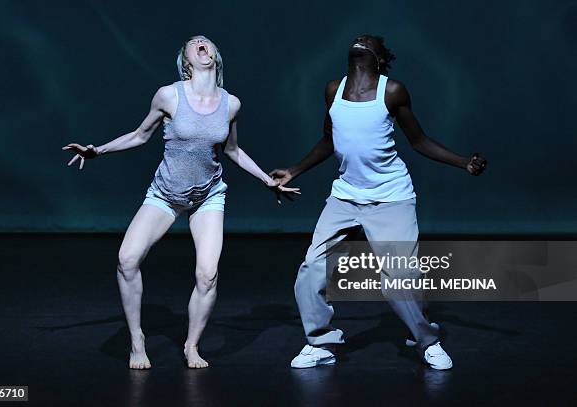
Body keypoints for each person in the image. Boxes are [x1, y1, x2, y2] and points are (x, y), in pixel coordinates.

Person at [62, 35, 299, 370]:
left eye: (207, 42)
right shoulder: (169, 96)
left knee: (207, 275)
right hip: (166, 194)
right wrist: (97, 150)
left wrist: (267, 181)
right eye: (194, 42)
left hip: (208, 196)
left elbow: (232, 151)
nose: (202, 42)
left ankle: (191, 346)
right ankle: (137, 341)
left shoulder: (231, 104)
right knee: (127, 260)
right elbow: (140, 134)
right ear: (187, 60)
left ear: (215, 55)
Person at [270, 34, 487, 370]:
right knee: (311, 269)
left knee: (399, 278)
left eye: (367, 41)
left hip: (391, 198)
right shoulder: (333, 90)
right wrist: (294, 171)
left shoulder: (392, 91)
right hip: (345, 196)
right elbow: (329, 140)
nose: (359, 41)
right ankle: (320, 343)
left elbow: (419, 141)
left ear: (379, 58)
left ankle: (427, 341)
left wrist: (463, 162)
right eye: (356, 39)